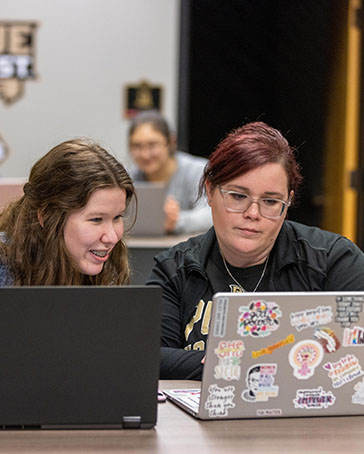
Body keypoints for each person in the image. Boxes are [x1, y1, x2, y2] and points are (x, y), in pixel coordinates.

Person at [146, 121, 364, 380]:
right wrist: (249, 360)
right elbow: (149, 356)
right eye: (238, 196)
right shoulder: (174, 268)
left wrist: (221, 363)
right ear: (210, 191)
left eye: (271, 201)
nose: (253, 214)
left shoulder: (335, 260)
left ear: (288, 203)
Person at [0, 138, 136, 286]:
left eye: (117, 217)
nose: (112, 237)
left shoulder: (109, 268)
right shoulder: (4, 267)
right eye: (96, 219)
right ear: (45, 215)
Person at [128, 110, 212, 234]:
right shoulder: (127, 176)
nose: (145, 154)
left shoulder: (198, 170)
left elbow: (212, 214)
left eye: (152, 145)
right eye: (137, 146)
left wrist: (177, 221)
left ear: (170, 142)